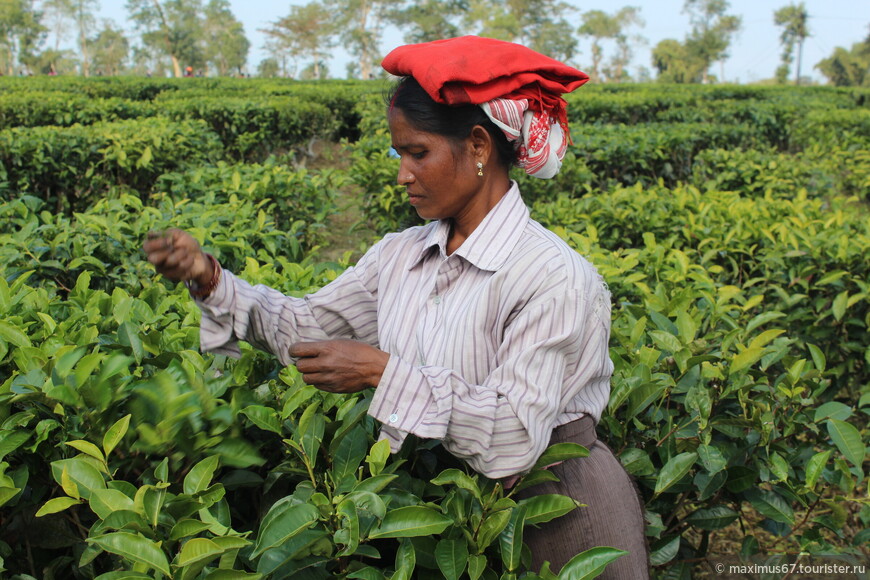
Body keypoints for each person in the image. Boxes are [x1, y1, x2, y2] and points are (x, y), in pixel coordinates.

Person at [143, 36, 648, 578]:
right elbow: (308, 326)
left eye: (418, 153)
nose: (402, 173)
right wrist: (210, 279)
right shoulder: (401, 255)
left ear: (478, 147)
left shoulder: (553, 277)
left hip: (557, 512)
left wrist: (382, 372)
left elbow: (513, 436)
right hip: (445, 517)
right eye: (398, 153)